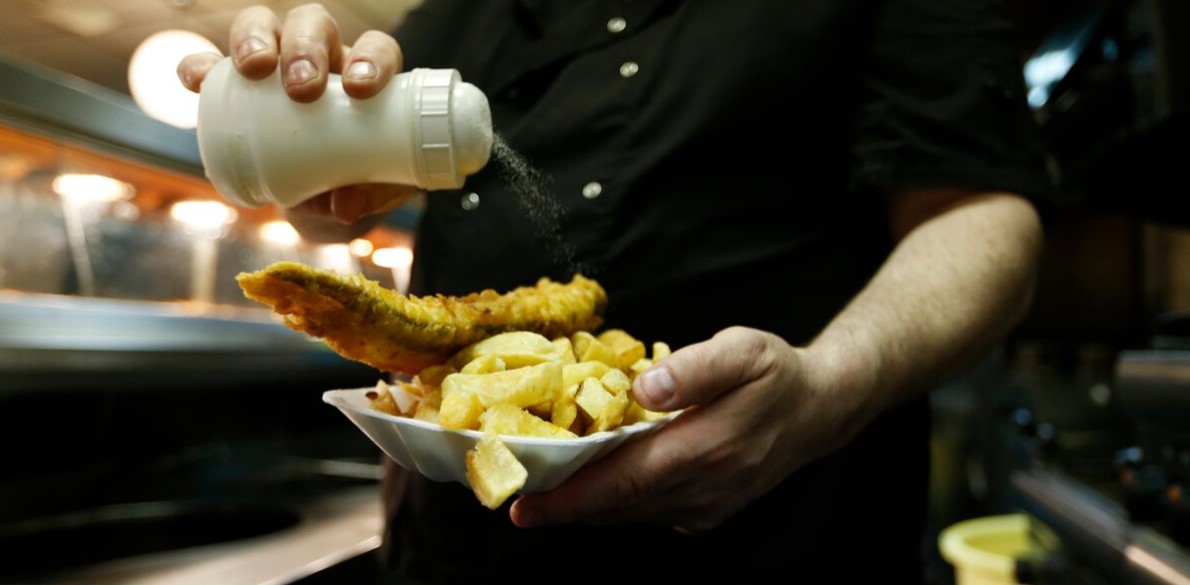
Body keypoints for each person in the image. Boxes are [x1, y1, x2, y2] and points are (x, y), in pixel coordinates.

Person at [180, 1, 1052, 582]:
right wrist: (299, 146)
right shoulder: (456, 15)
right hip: (457, 553)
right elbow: (330, 219)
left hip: (784, 540)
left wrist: (830, 384)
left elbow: (982, 212)